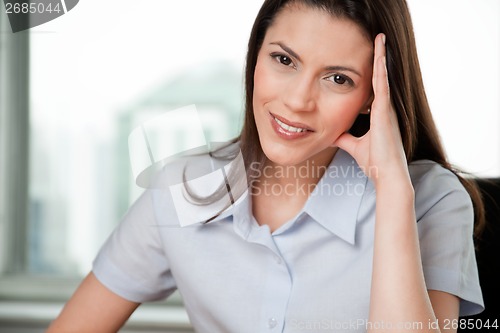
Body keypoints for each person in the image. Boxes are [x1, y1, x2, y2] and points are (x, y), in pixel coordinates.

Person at [47, 0, 485, 332]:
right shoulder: (182, 190)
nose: (297, 101)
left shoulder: (432, 199)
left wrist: (391, 186)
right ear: (255, 58)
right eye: (284, 60)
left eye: (338, 79)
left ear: (373, 94)